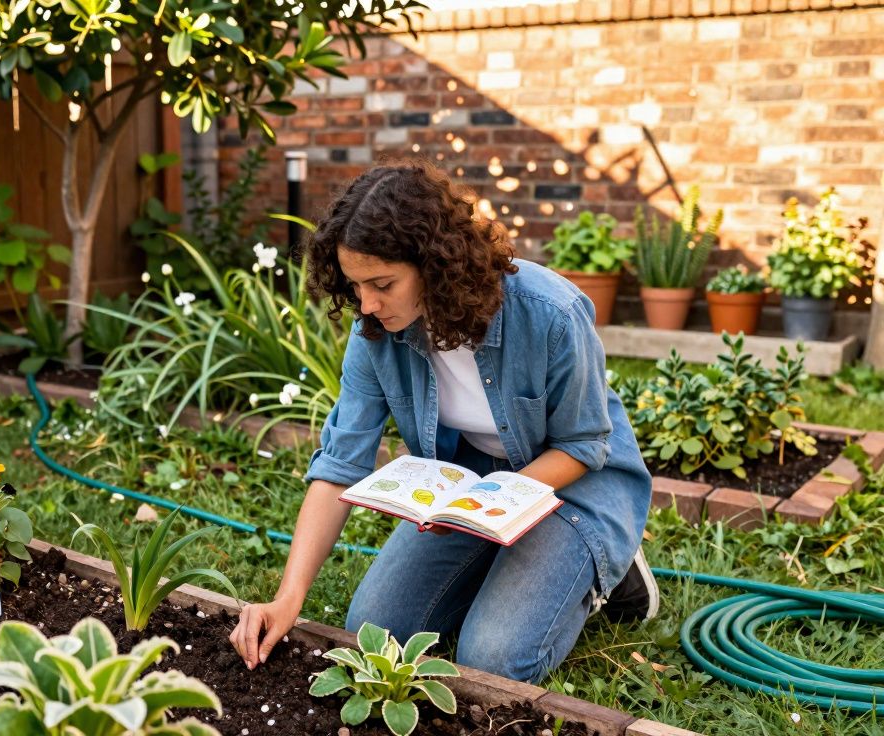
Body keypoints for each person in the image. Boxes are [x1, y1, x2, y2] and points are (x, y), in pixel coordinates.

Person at [228, 160, 656, 685]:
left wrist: (500, 501)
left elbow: (584, 444)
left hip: (572, 487)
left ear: (433, 265)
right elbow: (340, 463)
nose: (366, 303)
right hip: (472, 486)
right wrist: (287, 598)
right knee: (374, 632)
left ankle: (611, 567)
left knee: (491, 661)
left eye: (382, 283)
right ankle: (496, 565)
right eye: (356, 285)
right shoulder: (375, 333)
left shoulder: (550, 313)